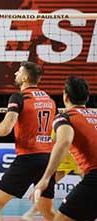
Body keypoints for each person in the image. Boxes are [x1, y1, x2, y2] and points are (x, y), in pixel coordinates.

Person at [0, 61, 56, 221]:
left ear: (25, 77)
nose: (15, 74)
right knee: (49, 213)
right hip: (47, 159)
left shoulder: (18, 97)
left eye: (18, 72)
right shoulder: (50, 100)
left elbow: (5, 130)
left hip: (28, 158)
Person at [32, 76, 97, 221]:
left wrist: (46, 178)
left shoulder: (65, 117)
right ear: (87, 98)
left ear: (65, 96)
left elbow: (64, 142)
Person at [22, 152, 81, 221]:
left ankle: (31, 212)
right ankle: (32, 212)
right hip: (67, 153)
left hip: (80, 153)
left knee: (91, 183)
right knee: (48, 184)